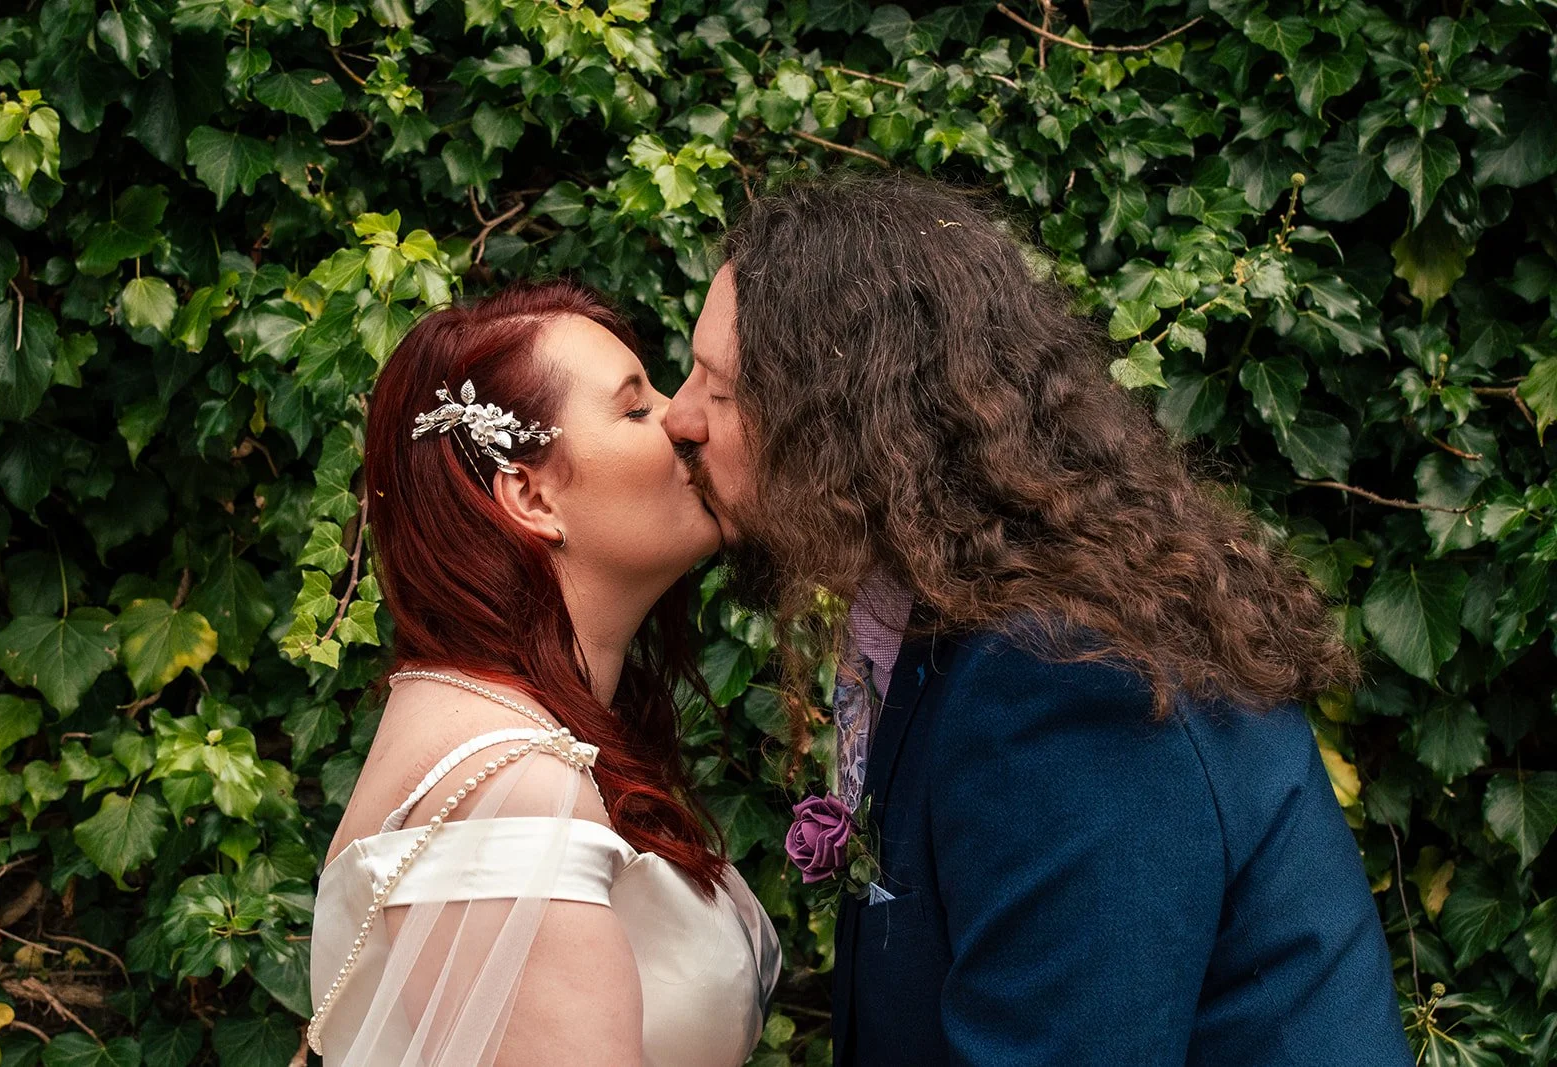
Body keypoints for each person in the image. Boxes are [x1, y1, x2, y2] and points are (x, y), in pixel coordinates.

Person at [666, 172, 1412, 1066]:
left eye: (720, 385)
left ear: (842, 414)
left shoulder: (1062, 674)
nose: (679, 416)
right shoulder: (949, 608)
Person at [308, 282, 780, 1066]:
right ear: (529, 496)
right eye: (635, 410)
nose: (683, 421)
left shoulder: (508, 725)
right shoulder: (507, 785)